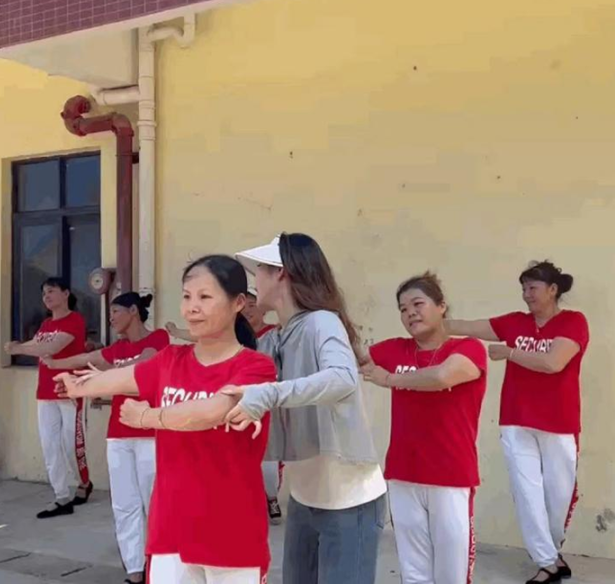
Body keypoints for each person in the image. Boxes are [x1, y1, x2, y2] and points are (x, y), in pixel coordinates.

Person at [55, 255, 276, 584]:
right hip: (171, 529)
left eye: (205, 297)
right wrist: (78, 386)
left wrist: (147, 417)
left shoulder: (256, 367)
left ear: (238, 303)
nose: (192, 308)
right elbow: (125, 377)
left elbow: (213, 411)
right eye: (187, 297)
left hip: (231, 530)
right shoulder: (171, 359)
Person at [227, 233, 386, 584]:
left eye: (260, 270)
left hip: (349, 500)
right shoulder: (276, 337)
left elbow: (342, 378)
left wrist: (270, 394)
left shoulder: (321, 322)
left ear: (281, 273)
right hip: (304, 498)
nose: (255, 281)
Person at [446, 261, 589, 584]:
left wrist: (510, 353)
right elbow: (470, 326)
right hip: (516, 420)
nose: (526, 295)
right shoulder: (515, 322)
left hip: (559, 422)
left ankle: (551, 553)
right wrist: (436, 321)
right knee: (527, 493)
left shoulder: (573, 321)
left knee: (559, 495)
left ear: (553, 290)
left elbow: (553, 362)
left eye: (533, 288)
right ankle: (547, 562)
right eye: (523, 289)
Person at [360, 272, 487, 584]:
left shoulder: (468, 348)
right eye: (403, 309)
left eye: (418, 304)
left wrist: (390, 379)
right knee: (413, 570)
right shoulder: (396, 349)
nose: (410, 313)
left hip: (450, 475)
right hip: (403, 473)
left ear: (441, 306)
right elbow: (354, 357)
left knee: (451, 573)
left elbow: (441, 377)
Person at [44, 292, 169, 584]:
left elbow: (142, 368)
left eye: (116, 311)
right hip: (119, 436)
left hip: (151, 434)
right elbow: (87, 359)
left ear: (134, 311)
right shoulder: (117, 348)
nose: (111, 318)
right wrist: (53, 363)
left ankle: (160, 571)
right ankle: (135, 572)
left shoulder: (158, 338)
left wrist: (101, 376)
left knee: (156, 505)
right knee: (124, 505)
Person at [168, 289, 284, 523]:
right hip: (231, 399)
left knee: (268, 458)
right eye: (244, 306)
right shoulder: (231, 333)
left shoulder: (274, 334)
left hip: (265, 401)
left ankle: (271, 497)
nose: (248, 310)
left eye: (252, 305)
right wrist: (177, 332)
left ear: (262, 308)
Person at [6, 277, 91, 518]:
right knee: (50, 446)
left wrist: (18, 348)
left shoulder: (75, 320)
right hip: (45, 392)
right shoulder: (45, 324)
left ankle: (84, 482)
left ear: (66, 293)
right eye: (44, 293)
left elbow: (50, 348)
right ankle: (61, 497)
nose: (47, 297)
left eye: (51, 291)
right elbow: (37, 343)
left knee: (71, 444)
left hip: (69, 390)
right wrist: (20, 346)